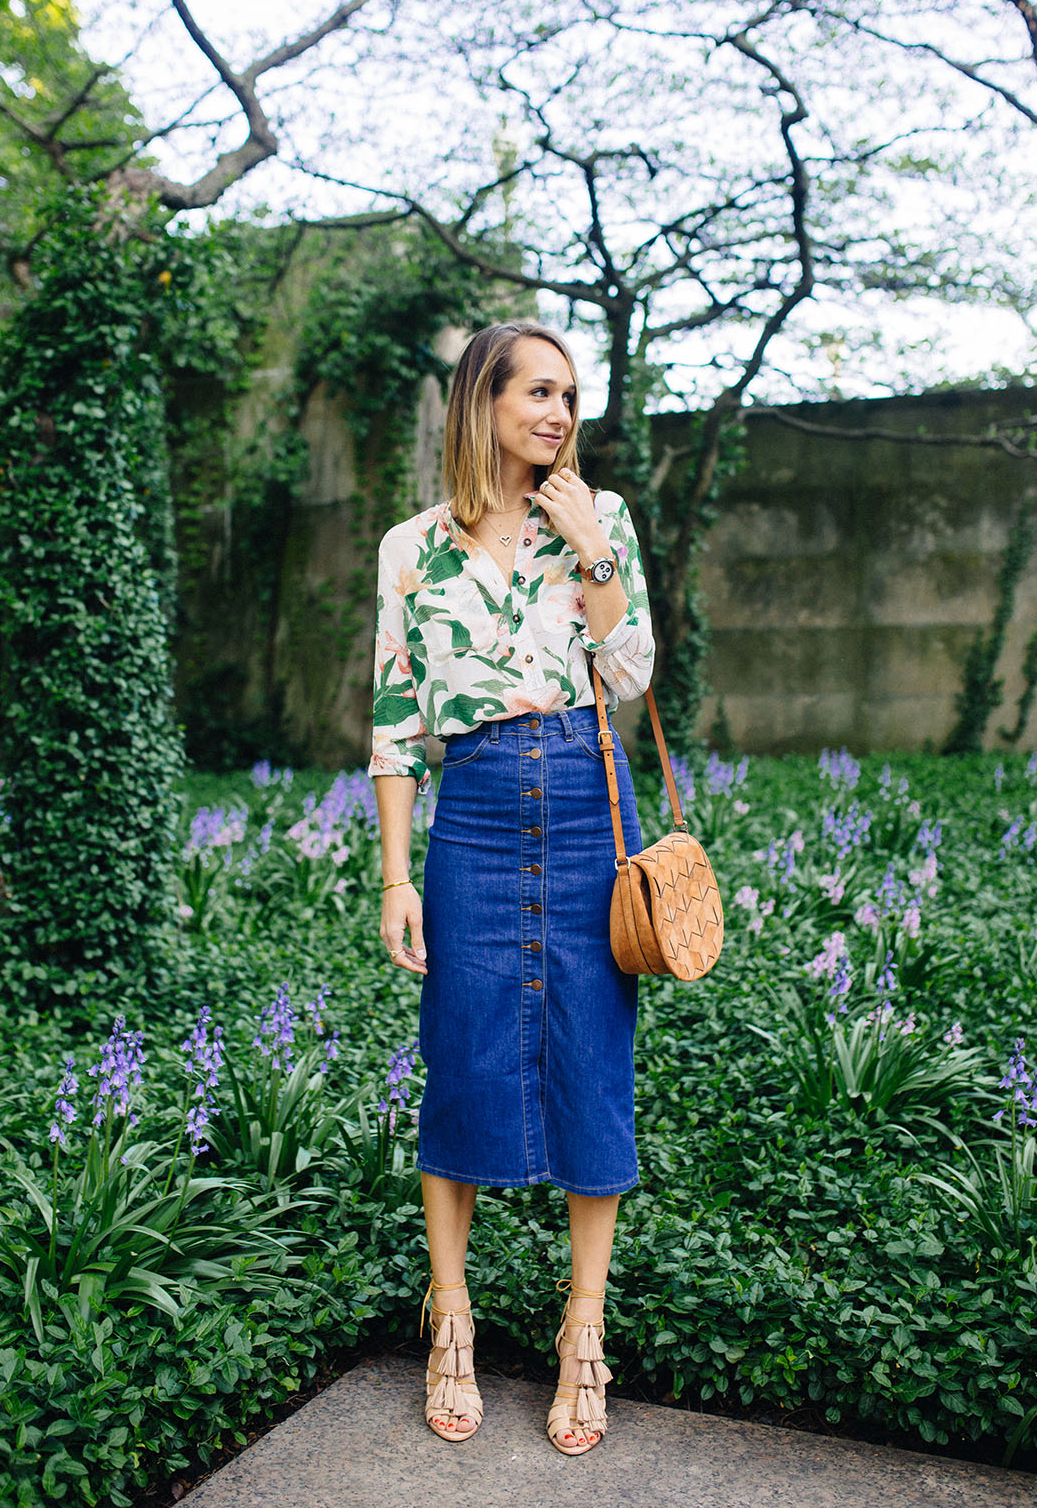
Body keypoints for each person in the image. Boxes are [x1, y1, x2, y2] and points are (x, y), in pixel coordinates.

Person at [368, 320, 654, 1454]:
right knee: (466, 1058)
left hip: (590, 799)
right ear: (482, 398)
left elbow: (628, 675)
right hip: (475, 811)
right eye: (538, 391)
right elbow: (395, 724)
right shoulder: (411, 547)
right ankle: (454, 1320)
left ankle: (585, 1330)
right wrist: (395, 876)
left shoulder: (602, 518)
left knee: (594, 1054)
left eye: (570, 395)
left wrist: (592, 551)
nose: (559, 412)